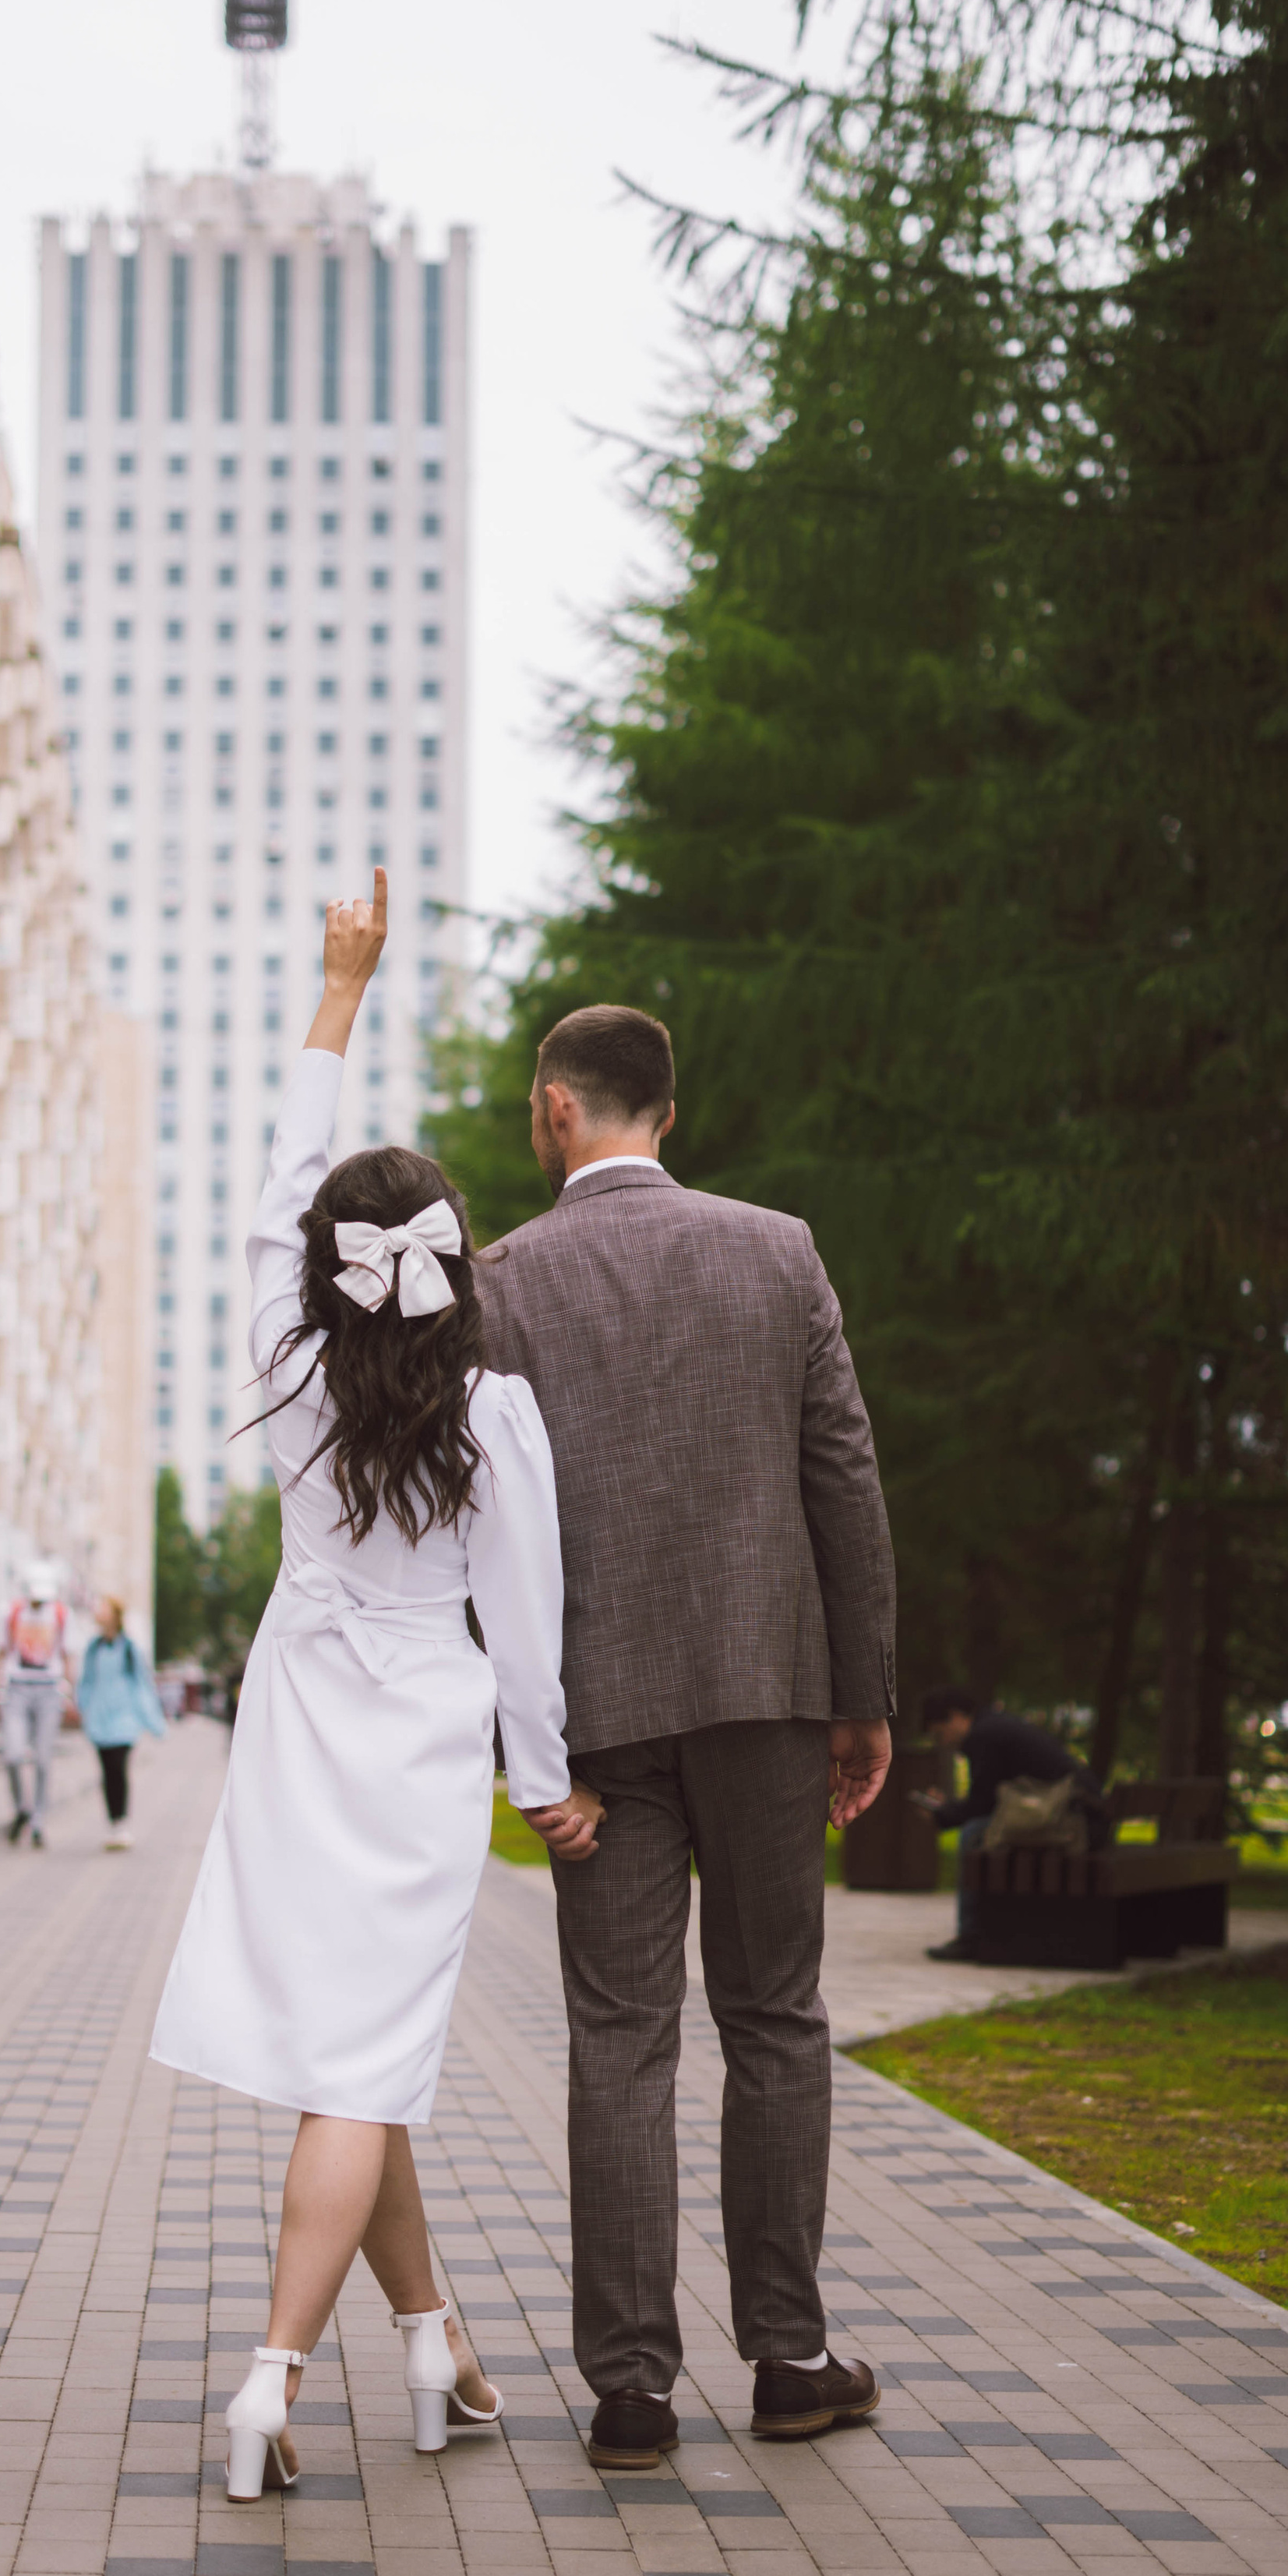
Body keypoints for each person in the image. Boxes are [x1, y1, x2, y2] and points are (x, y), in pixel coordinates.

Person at [151, 871, 594, 2502]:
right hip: (415, 1737)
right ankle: (270, 2375)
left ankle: (433, 2345)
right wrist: (541, 1778)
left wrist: (340, 986)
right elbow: (523, 1622)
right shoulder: (495, 1424)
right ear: (453, 1261)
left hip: (294, 1725)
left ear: (327, 1270)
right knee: (362, 2059)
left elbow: (276, 1196)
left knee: (361, 2051)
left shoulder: (289, 1381)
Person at [474, 1002, 897, 2468]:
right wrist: (864, 1696)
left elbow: (482, 1530)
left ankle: (632, 2391)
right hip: (769, 1689)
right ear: (670, 1111)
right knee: (775, 2014)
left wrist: (516, 1733)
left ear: (555, 1112)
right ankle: (787, 2355)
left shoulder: (503, 1282)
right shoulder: (777, 1251)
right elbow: (843, 1479)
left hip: (598, 1722)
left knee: (620, 2036)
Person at [913, 1684, 1110, 1963]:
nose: (943, 1741)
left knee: (972, 1835)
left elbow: (983, 1803)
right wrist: (950, 1809)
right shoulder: (996, 1725)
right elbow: (991, 1798)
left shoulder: (983, 1736)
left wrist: (942, 1815)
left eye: (939, 1733)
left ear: (955, 1716)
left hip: (1070, 1821)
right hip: (1082, 1815)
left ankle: (970, 1935)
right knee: (979, 1830)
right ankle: (984, 1929)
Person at [76, 1595, 166, 1848]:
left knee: (119, 1768)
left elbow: (142, 1685)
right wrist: (81, 1706)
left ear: (115, 1615)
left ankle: (121, 1822)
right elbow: (87, 1682)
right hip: (99, 1719)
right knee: (106, 1772)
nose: (99, 1613)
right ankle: (113, 1822)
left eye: (104, 1609)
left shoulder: (129, 1649)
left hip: (124, 1719)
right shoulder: (93, 1649)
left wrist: (153, 1721)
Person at [0, 1561, 71, 1847]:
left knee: (42, 1759)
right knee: (13, 1756)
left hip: (49, 1692)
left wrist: (70, 1695)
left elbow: (67, 1655)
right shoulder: (11, 1613)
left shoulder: (61, 1615)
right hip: (16, 1690)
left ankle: (38, 1821)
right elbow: (2, 1650)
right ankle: (21, 1810)